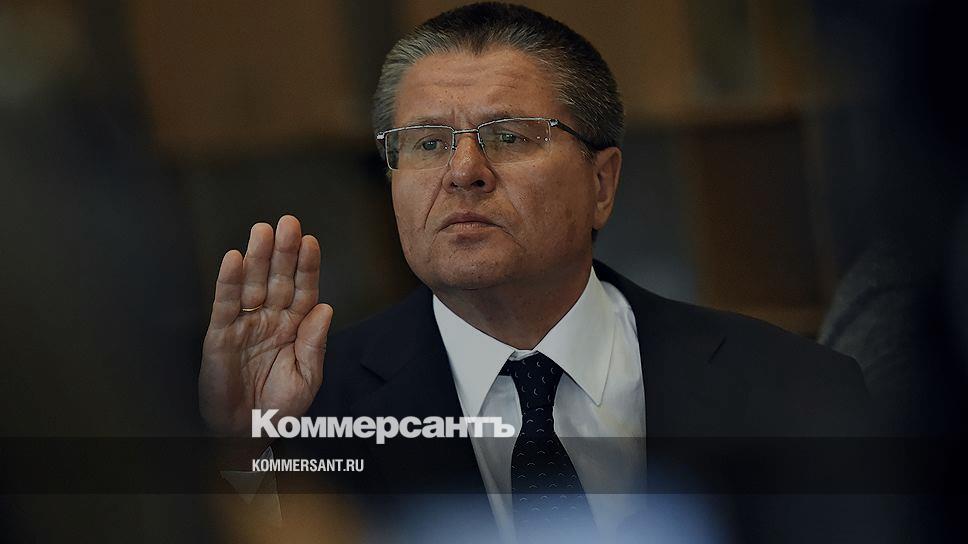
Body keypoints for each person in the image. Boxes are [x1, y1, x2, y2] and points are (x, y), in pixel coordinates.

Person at [198, 3, 869, 542]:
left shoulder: (794, 388)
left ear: (602, 184)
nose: (464, 171)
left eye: (509, 136)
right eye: (427, 143)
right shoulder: (308, 409)